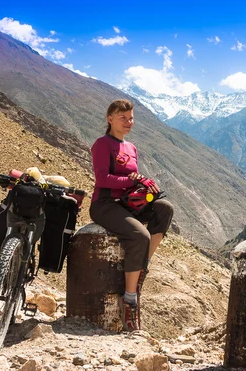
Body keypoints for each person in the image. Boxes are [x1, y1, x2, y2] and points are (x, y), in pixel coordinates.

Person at [89, 99, 174, 331]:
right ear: (110, 119)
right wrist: (133, 180)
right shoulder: (102, 144)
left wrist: (144, 187)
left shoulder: (131, 147)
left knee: (165, 208)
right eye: (122, 118)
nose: (128, 122)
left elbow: (132, 180)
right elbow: (102, 179)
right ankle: (130, 300)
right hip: (105, 204)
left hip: (127, 203)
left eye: (131, 118)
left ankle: (142, 267)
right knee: (140, 236)